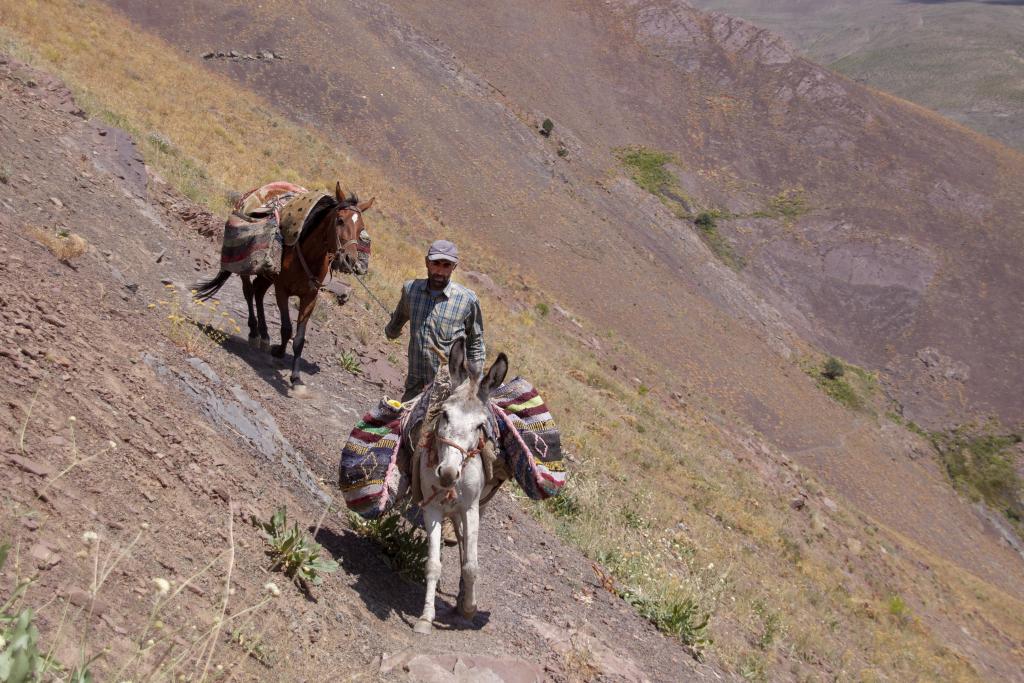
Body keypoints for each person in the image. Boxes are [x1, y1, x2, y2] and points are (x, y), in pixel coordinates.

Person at [385, 239, 485, 402]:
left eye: (446, 266)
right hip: (414, 387)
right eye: (436, 263)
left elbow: (475, 344)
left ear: (454, 267)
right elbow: (399, 318)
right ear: (427, 262)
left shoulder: (467, 300)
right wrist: (392, 331)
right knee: (402, 426)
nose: (440, 271)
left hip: (448, 392)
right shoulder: (411, 290)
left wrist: (475, 382)